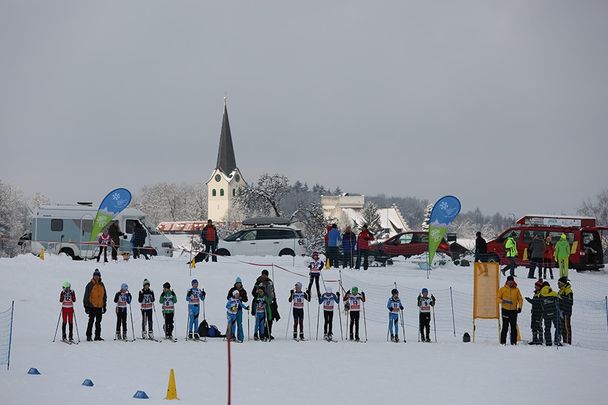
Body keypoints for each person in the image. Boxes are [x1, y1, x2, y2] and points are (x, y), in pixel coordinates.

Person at [252, 269, 280, 340]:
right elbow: (253, 292)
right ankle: (261, 333)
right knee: (262, 319)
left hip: (270, 302)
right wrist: (258, 297)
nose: (264, 276)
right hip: (262, 303)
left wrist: (275, 300)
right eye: (263, 274)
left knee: (270, 318)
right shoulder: (258, 282)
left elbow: (273, 291)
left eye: (265, 275)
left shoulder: (270, 282)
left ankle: (268, 333)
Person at [497, 275, 522, 345]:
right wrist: (502, 301)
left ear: (513, 281)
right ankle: (503, 342)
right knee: (505, 326)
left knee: (513, 327)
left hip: (514, 310)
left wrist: (520, 307)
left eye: (512, 281)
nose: (510, 283)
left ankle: (513, 342)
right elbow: (497, 298)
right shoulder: (502, 289)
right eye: (509, 281)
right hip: (505, 310)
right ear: (507, 281)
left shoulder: (516, 290)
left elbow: (520, 299)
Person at [83, 269, 107, 341]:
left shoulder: (102, 285)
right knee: (91, 321)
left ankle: (97, 336)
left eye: (98, 276)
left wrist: (104, 306)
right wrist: (86, 306)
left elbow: (104, 296)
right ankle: (89, 336)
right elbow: (86, 296)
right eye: (95, 276)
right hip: (92, 306)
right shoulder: (90, 285)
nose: (96, 277)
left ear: (100, 277)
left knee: (98, 322)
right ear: (93, 276)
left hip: (99, 306)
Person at [227, 277, 248, 342]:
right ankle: (230, 335)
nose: (238, 285)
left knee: (239, 323)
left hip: (239, 310)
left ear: (241, 284)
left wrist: (241, 298)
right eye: (237, 283)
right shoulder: (232, 289)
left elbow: (246, 299)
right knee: (231, 323)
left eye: (239, 283)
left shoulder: (243, 291)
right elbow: (228, 298)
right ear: (235, 284)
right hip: (232, 311)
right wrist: (233, 298)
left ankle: (240, 337)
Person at [539, 281, 560, 346]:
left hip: (546, 313)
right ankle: (557, 341)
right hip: (554, 312)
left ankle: (548, 342)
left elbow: (539, 304)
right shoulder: (554, 293)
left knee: (547, 328)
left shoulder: (540, 294)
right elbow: (560, 300)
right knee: (558, 326)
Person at [525, 280, 544, 345]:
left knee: (538, 325)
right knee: (533, 325)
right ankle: (534, 339)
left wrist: (530, 300)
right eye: (535, 285)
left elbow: (537, 303)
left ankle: (540, 339)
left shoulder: (541, 293)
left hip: (539, 312)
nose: (535, 287)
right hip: (534, 312)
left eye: (536, 286)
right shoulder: (536, 293)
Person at [558, 277, 573, 345]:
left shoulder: (568, 290)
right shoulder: (561, 290)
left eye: (559, 283)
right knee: (562, 327)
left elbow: (570, 302)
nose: (558, 284)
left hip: (566, 311)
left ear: (563, 284)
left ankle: (568, 342)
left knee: (567, 327)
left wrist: (561, 298)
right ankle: (564, 341)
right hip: (561, 311)